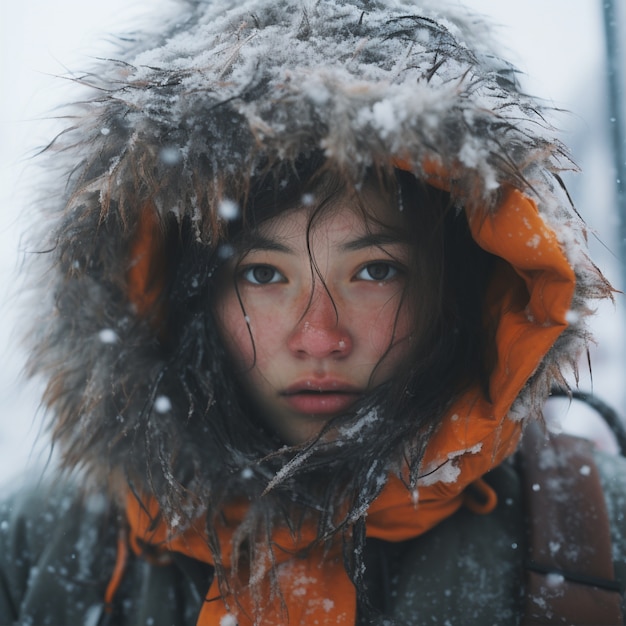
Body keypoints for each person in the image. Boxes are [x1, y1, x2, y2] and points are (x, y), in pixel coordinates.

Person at [1, 0, 625, 624]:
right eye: (263, 275)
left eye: (375, 271)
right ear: (183, 295)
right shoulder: (36, 547)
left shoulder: (599, 529)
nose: (320, 337)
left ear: (458, 288)